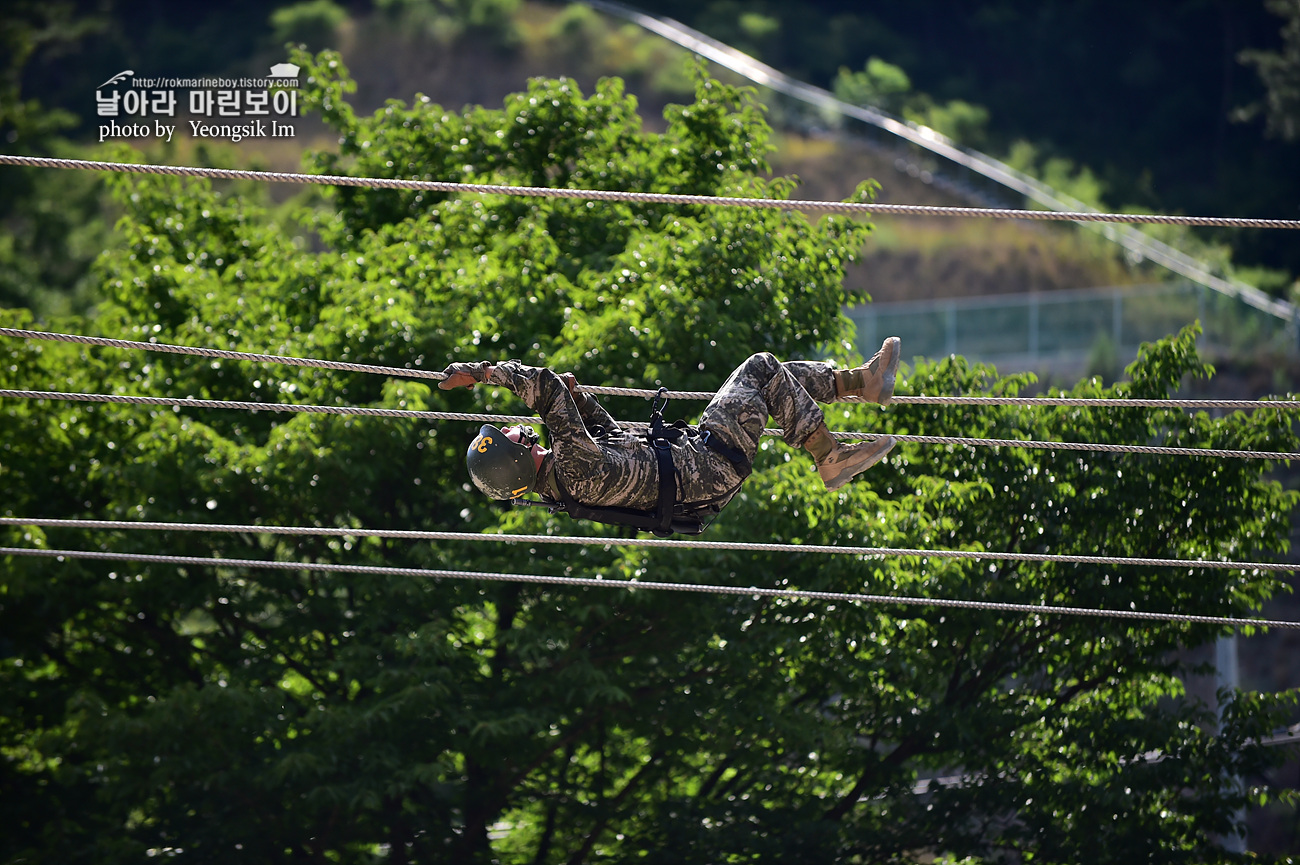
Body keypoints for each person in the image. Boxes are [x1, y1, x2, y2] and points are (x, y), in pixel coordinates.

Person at [438, 338, 901, 533]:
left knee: (771, 379)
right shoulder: (570, 470)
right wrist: (480, 373)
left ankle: (863, 382)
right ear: (513, 459)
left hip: (703, 463)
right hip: (707, 463)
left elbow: (610, 434)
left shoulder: (570, 474)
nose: (509, 428)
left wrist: (578, 402)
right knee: (760, 367)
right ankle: (829, 456)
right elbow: (542, 386)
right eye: (505, 436)